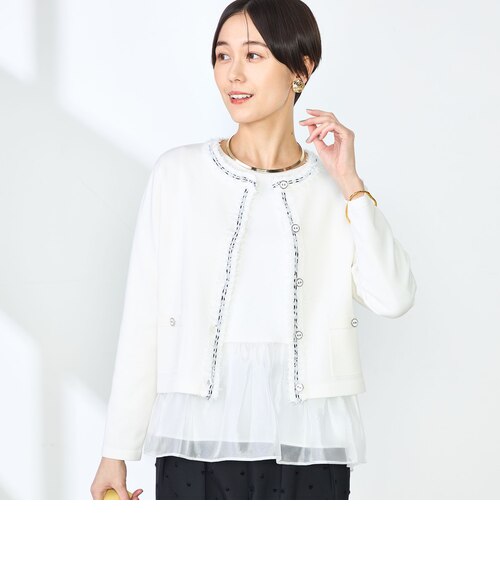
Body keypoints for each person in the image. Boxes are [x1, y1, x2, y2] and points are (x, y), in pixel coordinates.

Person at [91, 0, 416, 500]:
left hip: (310, 440)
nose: (233, 74)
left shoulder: (333, 192)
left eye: (254, 55)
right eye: (222, 55)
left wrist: (352, 184)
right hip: (197, 435)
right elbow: (143, 316)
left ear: (301, 69)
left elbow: (393, 297)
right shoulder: (178, 175)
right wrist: (117, 449)